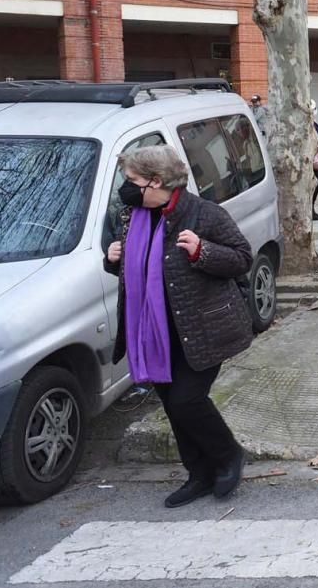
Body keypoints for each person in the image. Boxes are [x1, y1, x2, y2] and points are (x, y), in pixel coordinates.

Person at [103, 145, 253, 508]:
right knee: (173, 406)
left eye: (132, 181)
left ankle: (229, 456)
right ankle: (199, 475)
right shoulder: (132, 215)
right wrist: (112, 260)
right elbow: (135, 273)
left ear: (156, 182)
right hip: (155, 332)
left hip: (203, 329)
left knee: (188, 401)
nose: (127, 188)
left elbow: (242, 258)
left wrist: (203, 251)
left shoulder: (204, 215)